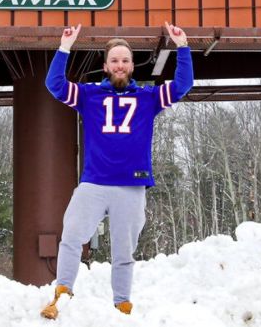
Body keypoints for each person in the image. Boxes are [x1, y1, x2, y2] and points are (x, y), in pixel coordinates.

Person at [40, 22, 193, 319]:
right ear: (106, 65)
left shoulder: (148, 98)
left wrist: (183, 47)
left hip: (131, 186)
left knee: (124, 252)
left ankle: (122, 305)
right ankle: (62, 293)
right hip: (94, 183)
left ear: (132, 65)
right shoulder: (89, 95)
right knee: (71, 235)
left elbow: (182, 85)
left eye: (125, 60)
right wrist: (64, 48)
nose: (120, 65)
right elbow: (55, 85)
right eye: (114, 60)